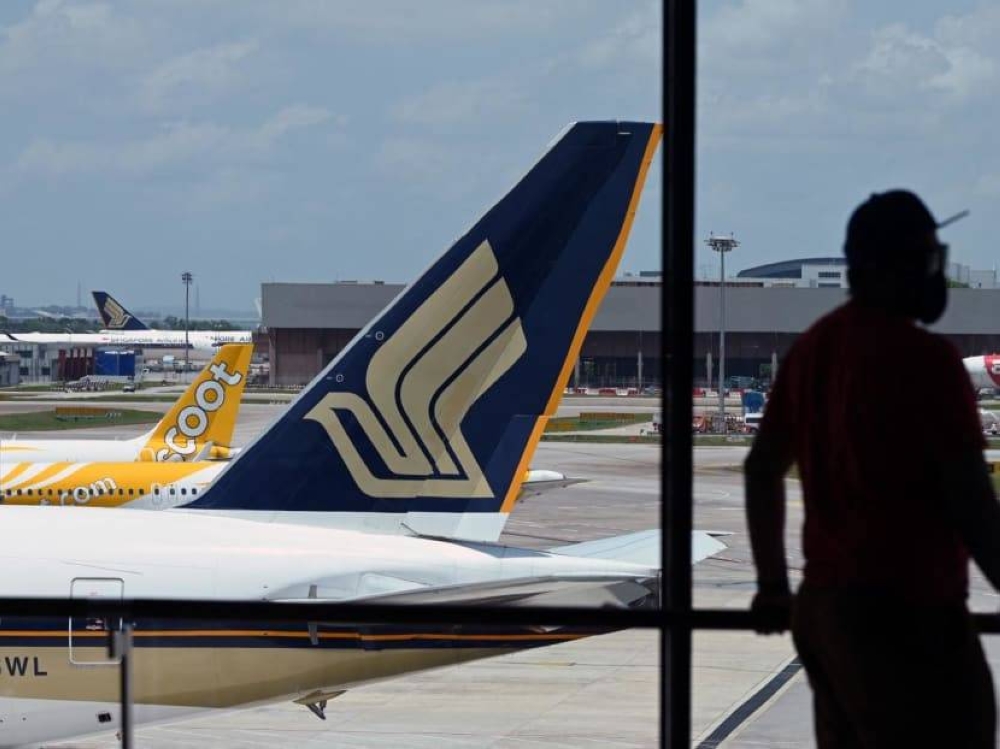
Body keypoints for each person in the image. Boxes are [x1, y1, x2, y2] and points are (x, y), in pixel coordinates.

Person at [744, 190, 1000, 748]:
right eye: (929, 259)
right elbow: (973, 506)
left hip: (827, 610)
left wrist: (771, 586)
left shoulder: (813, 350)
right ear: (900, 264)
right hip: (909, 613)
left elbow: (761, 469)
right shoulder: (926, 360)